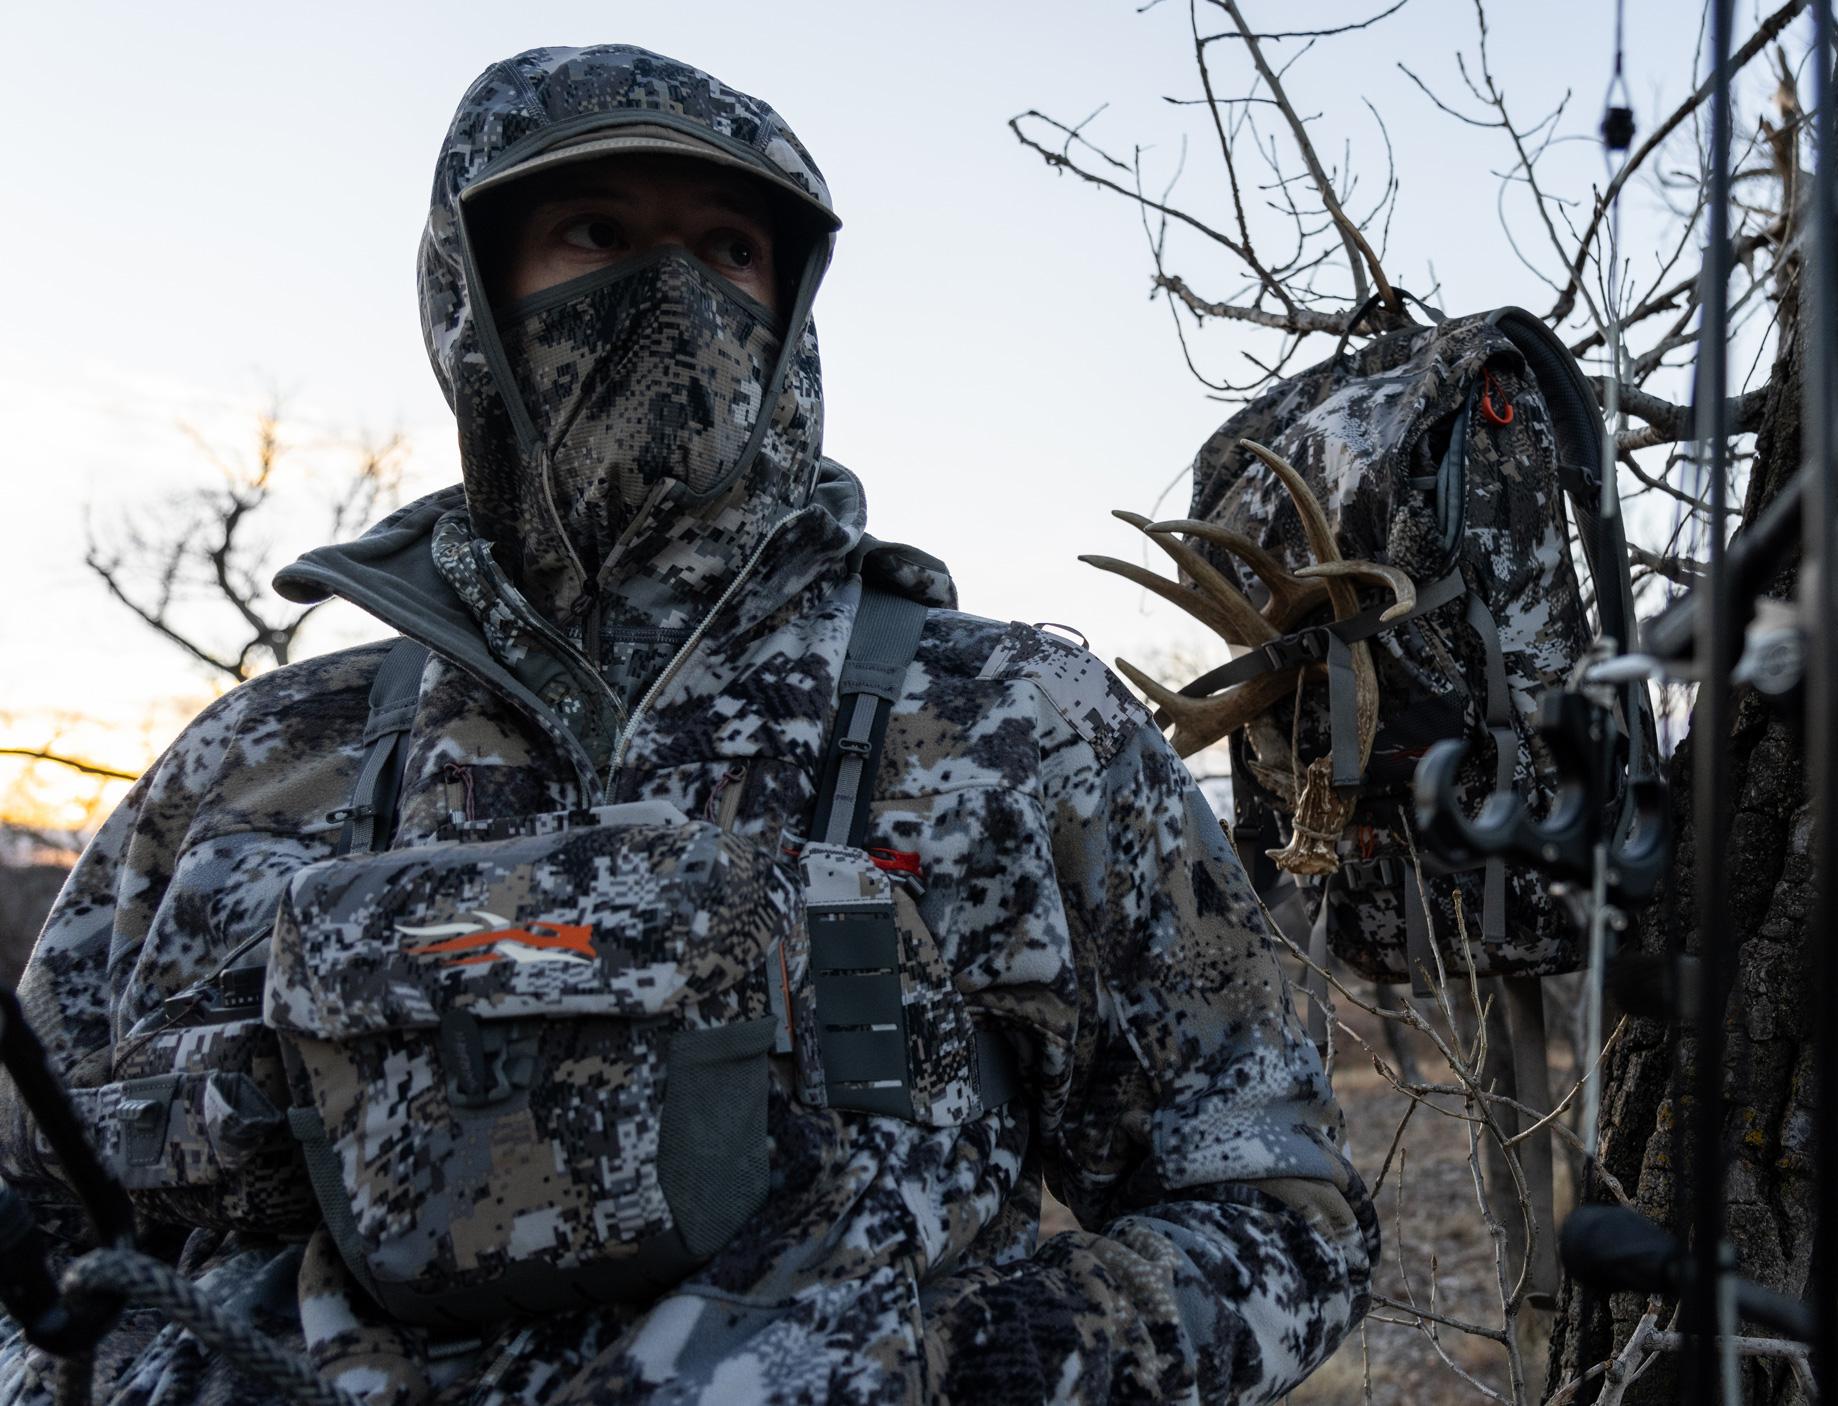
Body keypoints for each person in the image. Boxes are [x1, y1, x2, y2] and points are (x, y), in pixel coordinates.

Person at [0, 44, 1375, 1405]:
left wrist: (1008, 1359)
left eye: (726, 252)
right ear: (468, 291)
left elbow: (1277, 1198)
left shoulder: (1015, 728)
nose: (670, 298)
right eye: (596, 234)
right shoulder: (252, 766)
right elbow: (28, 1225)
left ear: (791, 311)